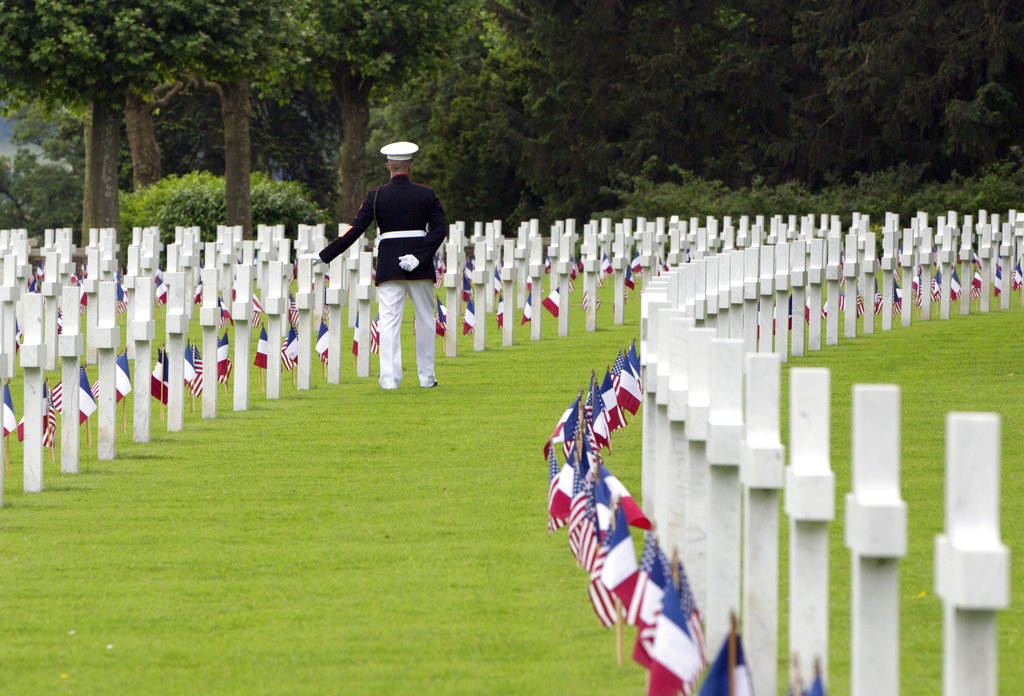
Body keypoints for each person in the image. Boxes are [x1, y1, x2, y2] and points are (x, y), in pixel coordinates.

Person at [318, 141, 447, 389]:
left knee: (389, 322)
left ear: (388, 166)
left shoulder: (375, 195)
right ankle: (426, 378)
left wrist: (326, 255)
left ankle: (390, 380)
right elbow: (439, 230)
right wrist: (419, 256)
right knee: (425, 321)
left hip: (389, 265)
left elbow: (355, 230)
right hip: (419, 267)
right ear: (410, 166)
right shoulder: (426, 194)